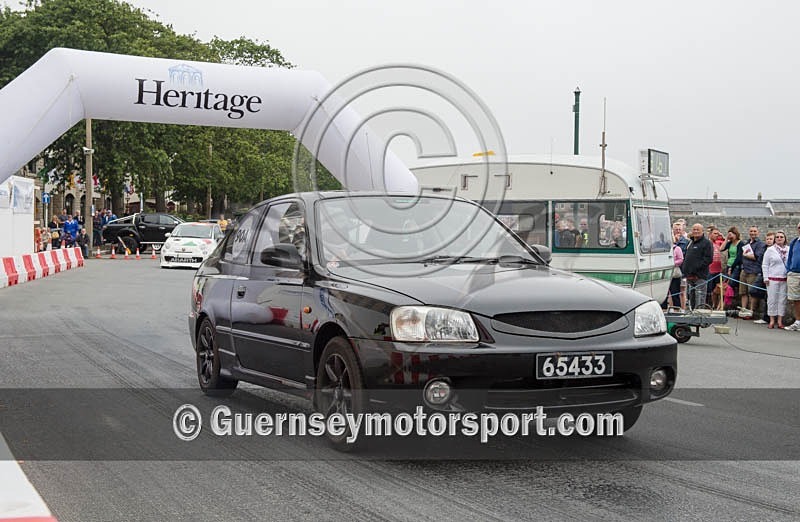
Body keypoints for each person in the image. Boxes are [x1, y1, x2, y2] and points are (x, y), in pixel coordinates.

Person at [681, 223, 714, 310]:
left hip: (700, 276)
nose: (695, 231)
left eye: (697, 230)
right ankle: (692, 318)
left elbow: (708, 259)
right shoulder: (691, 242)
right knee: (691, 299)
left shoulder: (707, 243)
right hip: (689, 276)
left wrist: (695, 269)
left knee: (700, 299)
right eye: (694, 229)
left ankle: (700, 318)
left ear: (702, 231)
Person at [738, 226, 767, 320]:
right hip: (744, 269)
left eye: (754, 231)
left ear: (758, 233)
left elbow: (756, 257)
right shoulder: (746, 243)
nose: (753, 233)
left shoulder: (760, 244)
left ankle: (751, 311)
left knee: (752, 293)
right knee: (743, 292)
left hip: (753, 270)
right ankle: (743, 309)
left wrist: (746, 255)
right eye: (751, 231)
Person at [762, 231, 788, 329]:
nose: (779, 238)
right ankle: (772, 320)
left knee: (782, 300)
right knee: (772, 299)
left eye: (781, 237)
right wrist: (766, 277)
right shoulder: (770, 250)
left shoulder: (788, 249)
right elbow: (765, 264)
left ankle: (780, 321)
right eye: (777, 237)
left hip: (784, 278)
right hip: (772, 278)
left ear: (785, 238)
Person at [785, 223, 800, 331]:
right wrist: (789, 269)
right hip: (794, 273)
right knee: (795, 299)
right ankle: (798, 321)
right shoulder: (795, 241)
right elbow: (789, 257)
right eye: (799, 227)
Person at [707, 227, 725, 307]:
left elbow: (726, 242)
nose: (716, 235)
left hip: (718, 270)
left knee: (717, 289)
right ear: (710, 234)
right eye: (714, 233)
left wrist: (722, 235)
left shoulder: (718, 242)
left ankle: (715, 305)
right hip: (709, 269)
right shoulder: (707, 243)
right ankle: (708, 304)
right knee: (709, 289)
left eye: (717, 234)